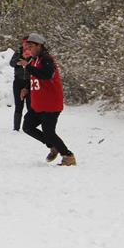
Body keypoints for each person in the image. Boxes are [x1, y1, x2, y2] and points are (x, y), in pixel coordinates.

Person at [18, 33, 76, 166]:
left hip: (50, 103)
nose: (29, 49)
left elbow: (46, 74)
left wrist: (28, 66)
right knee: (27, 126)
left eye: (31, 46)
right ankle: (53, 146)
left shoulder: (46, 59)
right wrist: (26, 88)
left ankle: (68, 155)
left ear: (39, 46)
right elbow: (34, 77)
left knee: (49, 132)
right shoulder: (35, 60)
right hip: (39, 103)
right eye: (27, 46)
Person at [9, 37, 31, 131]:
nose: (26, 46)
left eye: (28, 44)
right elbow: (11, 63)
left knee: (31, 105)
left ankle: (30, 126)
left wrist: (28, 61)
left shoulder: (34, 53)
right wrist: (19, 61)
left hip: (30, 82)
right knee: (18, 105)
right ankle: (16, 128)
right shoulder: (18, 51)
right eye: (24, 43)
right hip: (18, 81)